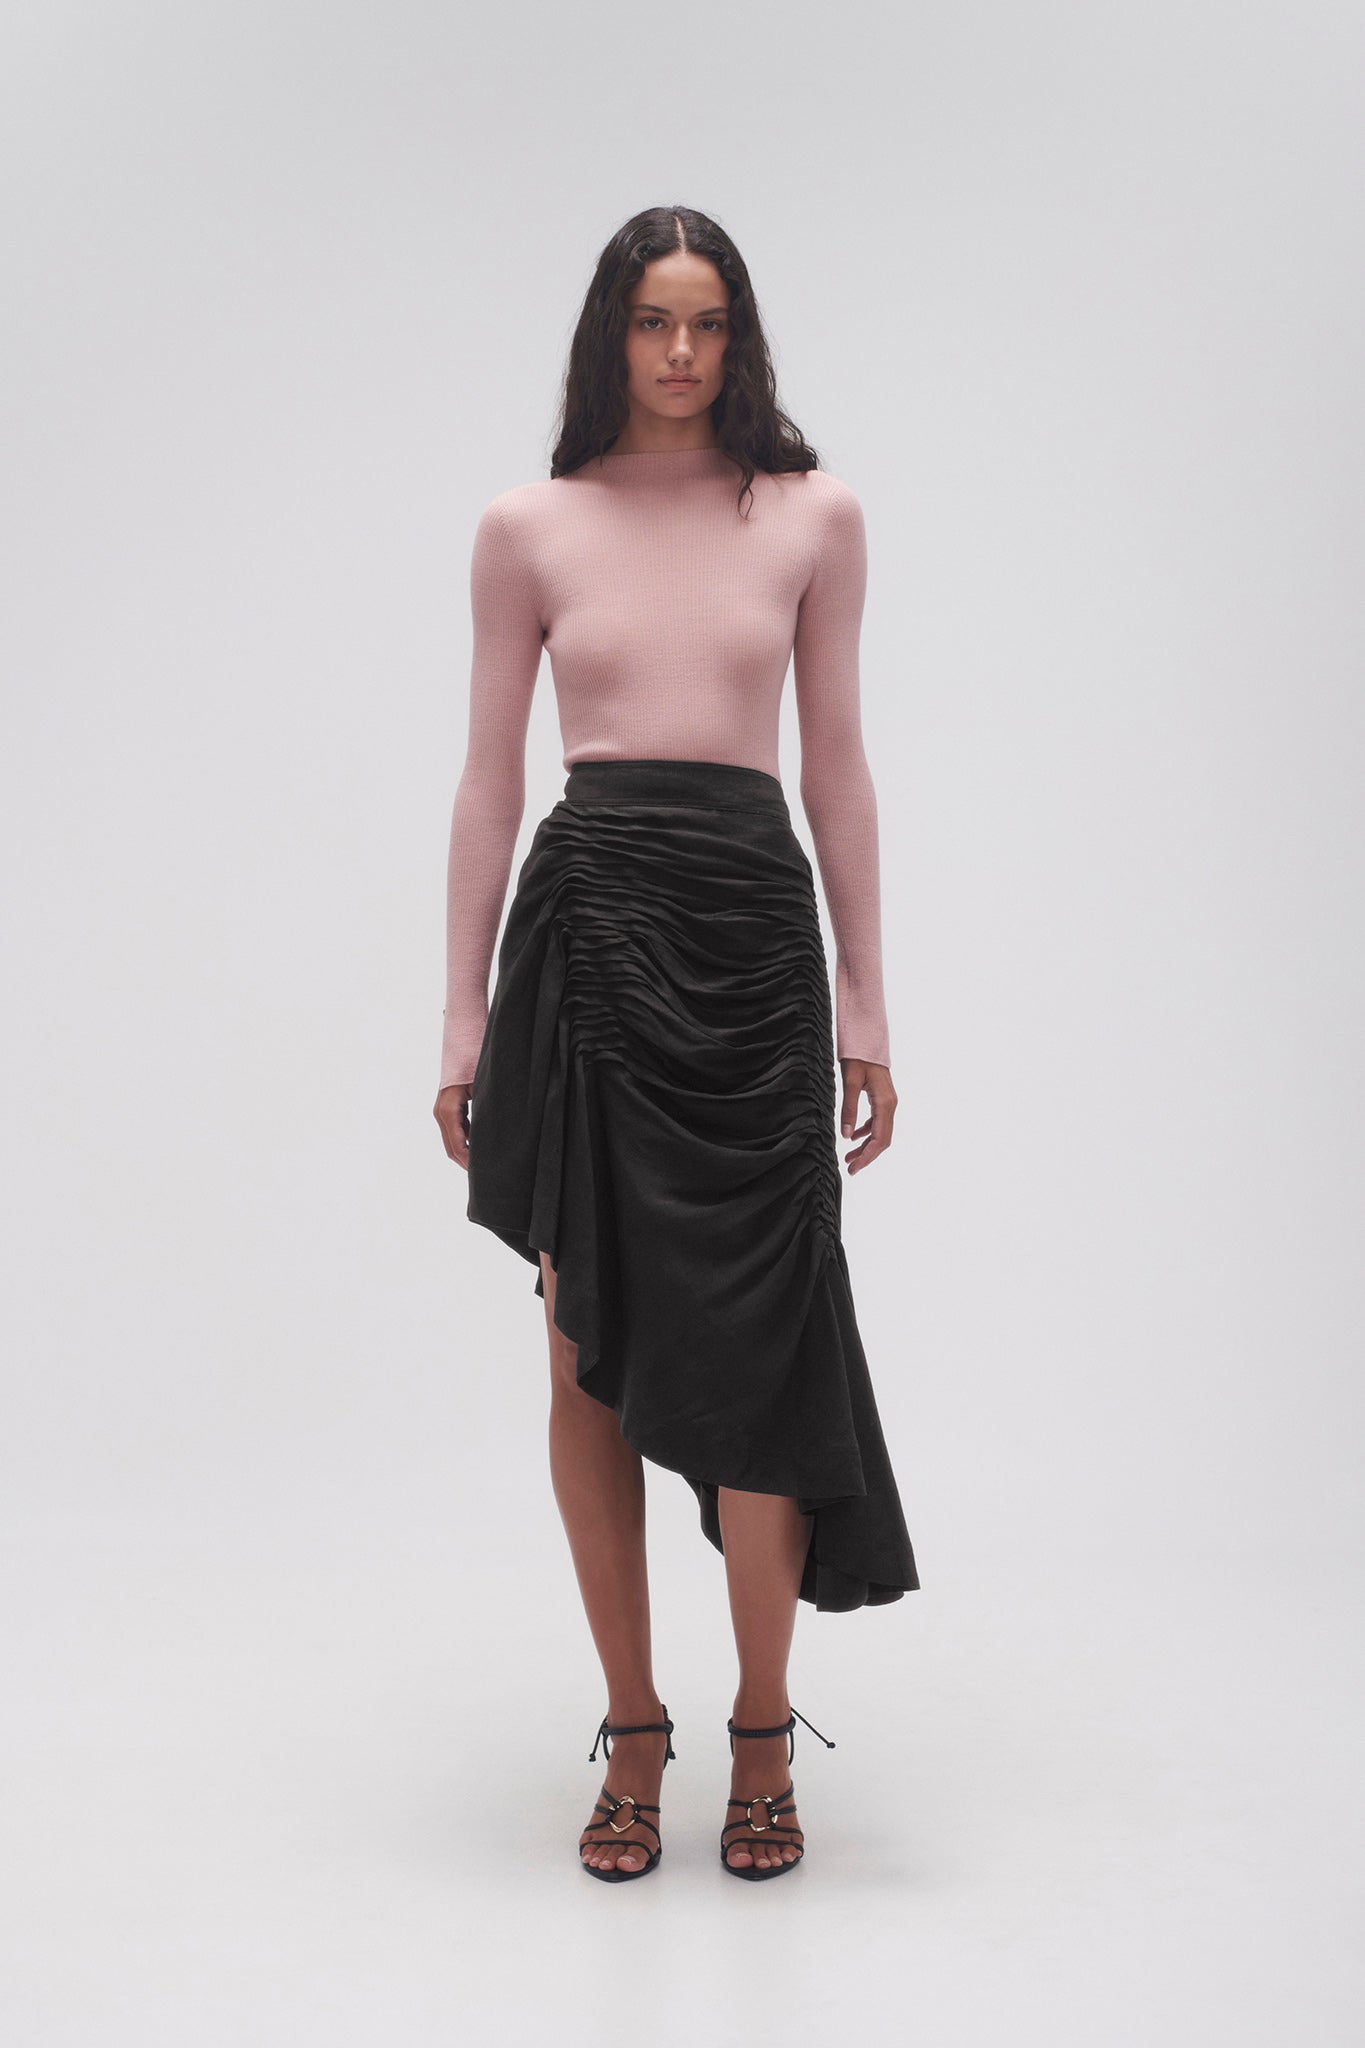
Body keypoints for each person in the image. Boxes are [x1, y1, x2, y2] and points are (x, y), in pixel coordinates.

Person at [433, 205, 920, 1883]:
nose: (681, 352)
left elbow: (835, 762)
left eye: (707, 321)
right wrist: (461, 1020)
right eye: (653, 320)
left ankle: (762, 1734)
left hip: (748, 939)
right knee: (583, 1335)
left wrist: (864, 998)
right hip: (588, 936)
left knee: (769, 1329)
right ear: (609, 333)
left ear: (740, 336)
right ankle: (632, 1731)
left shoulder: (811, 513)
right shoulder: (528, 526)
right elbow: (488, 778)